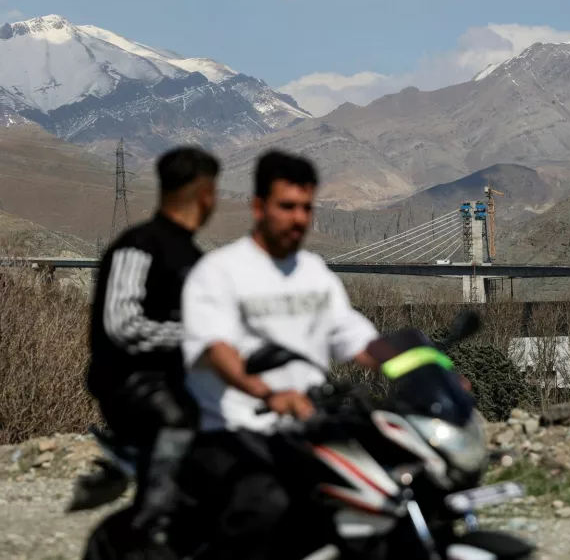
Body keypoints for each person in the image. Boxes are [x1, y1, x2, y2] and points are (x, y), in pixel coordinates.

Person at [177, 150, 382, 559]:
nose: (299, 218)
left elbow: (356, 338)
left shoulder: (314, 273)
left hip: (305, 426)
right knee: (265, 507)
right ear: (258, 206)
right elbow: (218, 349)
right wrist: (267, 394)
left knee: (382, 494)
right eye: (287, 206)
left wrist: (428, 365)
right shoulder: (219, 272)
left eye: (306, 207)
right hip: (230, 431)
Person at [85, 146, 220, 535]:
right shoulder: (139, 245)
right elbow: (123, 324)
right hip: (133, 384)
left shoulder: (192, 255)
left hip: (180, 379)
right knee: (179, 423)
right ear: (205, 193)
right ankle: (153, 523)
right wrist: (199, 339)